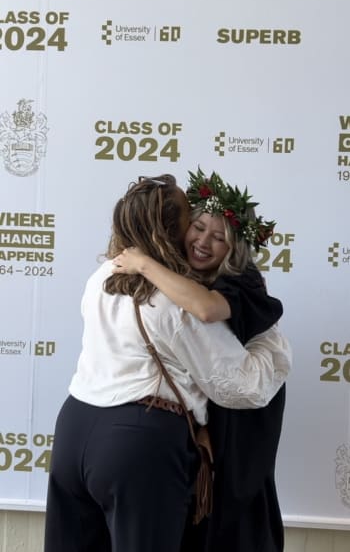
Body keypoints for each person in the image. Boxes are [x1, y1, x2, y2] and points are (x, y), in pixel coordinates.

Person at [44, 174, 291, 552]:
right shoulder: (177, 303)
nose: (200, 237)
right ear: (171, 231)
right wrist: (272, 349)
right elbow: (242, 385)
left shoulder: (104, 274)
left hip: (72, 431)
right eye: (191, 221)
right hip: (135, 443)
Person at [113, 168, 288, 552]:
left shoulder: (242, 281)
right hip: (204, 410)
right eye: (198, 227)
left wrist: (142, 263)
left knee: (232, 506)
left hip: (242, 417)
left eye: (219, 237)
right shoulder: (182, 274)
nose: (203, 241)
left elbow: (207, 310)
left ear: (235, 248)